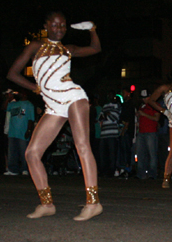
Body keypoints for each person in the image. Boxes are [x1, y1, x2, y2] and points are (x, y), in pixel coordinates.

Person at [7, 12, 102, 221]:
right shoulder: (35, 46)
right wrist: (35, 88)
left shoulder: (69, 49)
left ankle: (93, 202)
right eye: (55, 24)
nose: (59, 28)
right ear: (46, 25)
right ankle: (46, 203)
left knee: (82, 146)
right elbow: (13, 73)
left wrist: (92, 29)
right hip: (53, 106)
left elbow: (96, 48)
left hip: (74, 97)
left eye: (63, 25)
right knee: (32, 153)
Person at [136, 89, 160, 180]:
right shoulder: (142, 106)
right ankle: (141, 173)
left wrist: (144, 114)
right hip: (141, 132)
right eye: (143, 98)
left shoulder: (155, 105)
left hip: (151, 132)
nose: (144, 100)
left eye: (146, 97)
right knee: (140, 153)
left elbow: (156, 118)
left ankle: (152, 174)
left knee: (152, 153)